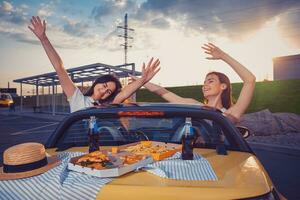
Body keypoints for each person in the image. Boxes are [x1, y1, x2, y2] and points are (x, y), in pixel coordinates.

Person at [28, 16, 160, 112]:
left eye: (108, 91)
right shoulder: (77, 99)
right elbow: (59, 68)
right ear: (96, 82)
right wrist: (44, 39)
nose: (103, 91)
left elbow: (124, 94)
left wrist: (143, 80)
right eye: (104, 85)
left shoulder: (108, 104)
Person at [130, 43, 256, 123]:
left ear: (223, 86)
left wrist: (223, 56)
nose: (205, 85)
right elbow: (164, 93)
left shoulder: (230, 114)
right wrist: (142, 81)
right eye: (204, 82)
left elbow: (250, 80)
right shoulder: (195, 105)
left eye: (210, 81)